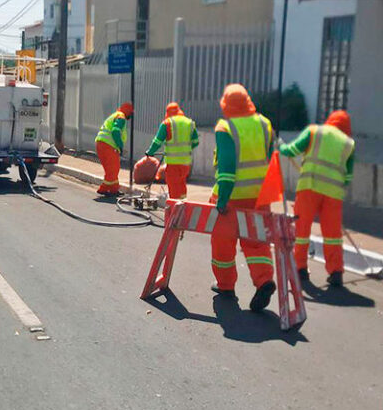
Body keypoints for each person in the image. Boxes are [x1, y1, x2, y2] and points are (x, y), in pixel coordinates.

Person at [210, 84, 276, 312]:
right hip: (260, 196)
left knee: (223, 242)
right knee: (257, 242)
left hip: (232, 198)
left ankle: (226, 285)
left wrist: (222, 199)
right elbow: (268, 158)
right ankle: (265, 280)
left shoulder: (225, 127)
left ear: (225, 105)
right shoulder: (264, 123)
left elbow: (227, 170)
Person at [279, 110, 355, 288]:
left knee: (302, 229)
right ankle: (336, 272)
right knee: (333, 235)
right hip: (333, 193)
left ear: (330, 121)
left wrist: (281, 146)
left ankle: (300, 269)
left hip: (309, 188)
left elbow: (293, 150)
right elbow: (348, 177)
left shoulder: (315, 131)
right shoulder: (349, 143)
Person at [145, 102, 199, 199]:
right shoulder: (190, 123)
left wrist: (150, 152)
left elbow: (157, 141)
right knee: (182, 185)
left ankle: (174, 209)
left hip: (173, 163)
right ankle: (183, 206)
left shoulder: (167, 123)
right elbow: (195, 142)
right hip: (186, 163)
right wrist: (185, 150)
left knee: (174, 187)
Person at [95, 102, 133, 196]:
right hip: (108, 145)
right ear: (128, 112)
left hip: (101, 144)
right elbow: (115, 131)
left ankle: (114, 189)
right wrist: (120, 145)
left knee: (111, 169)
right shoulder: (121, 117)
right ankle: (103, 188)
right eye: (131, 114)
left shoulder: (115, 115)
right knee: (113, 169)